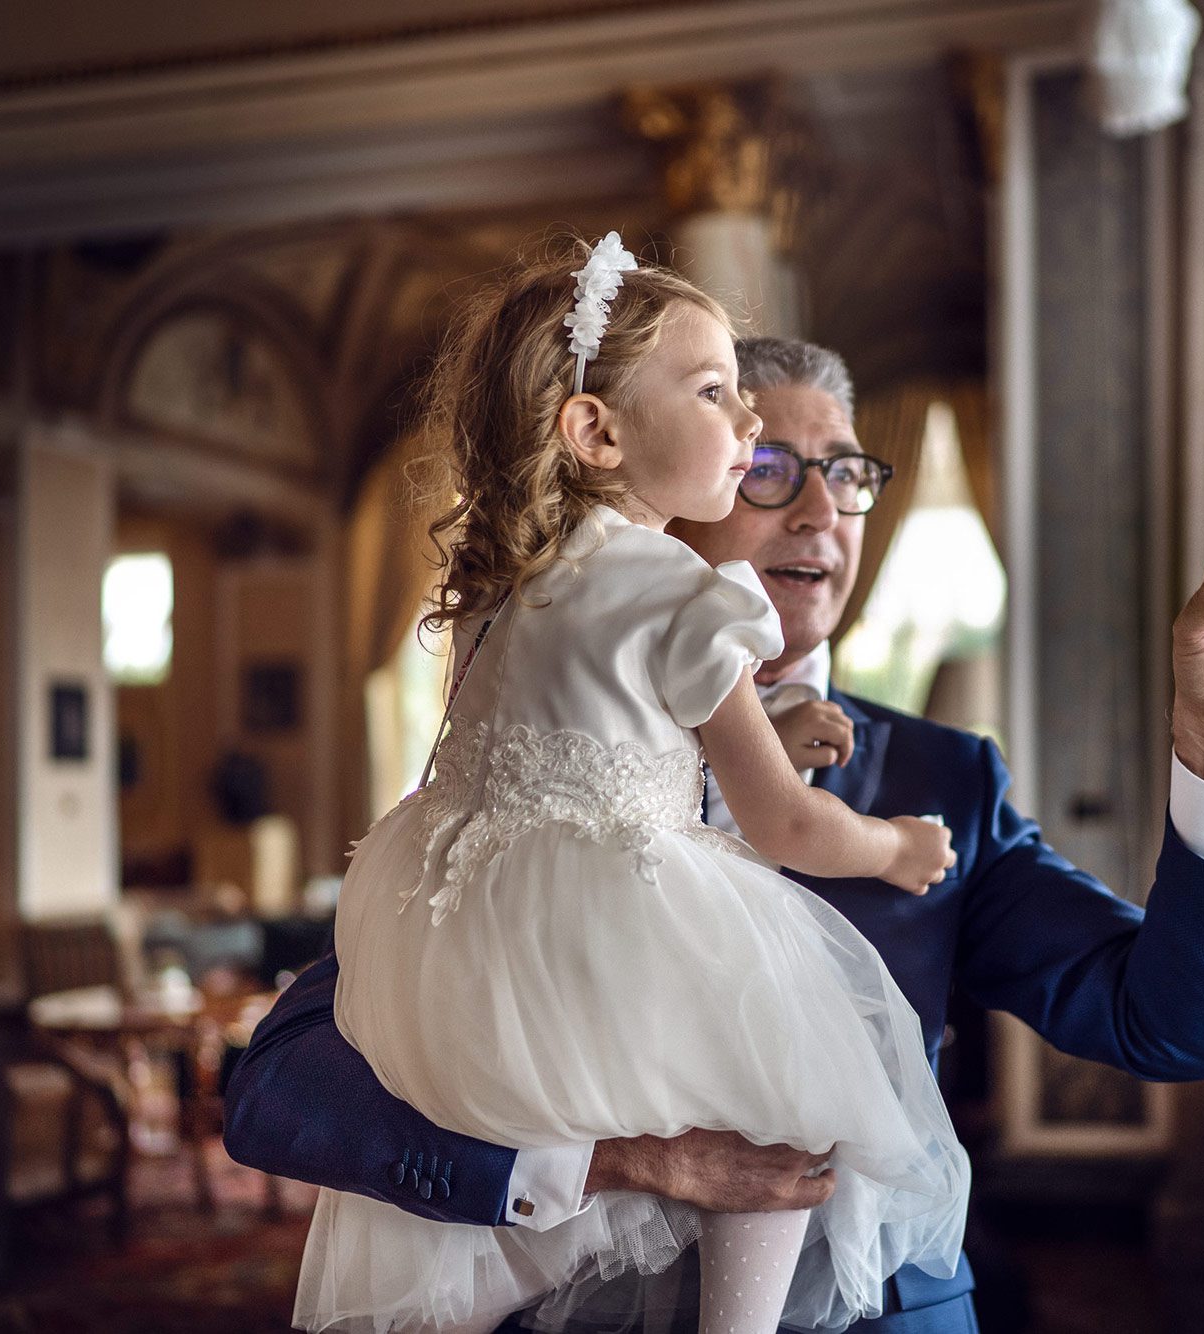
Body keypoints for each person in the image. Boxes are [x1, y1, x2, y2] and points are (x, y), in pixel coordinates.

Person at [227, 295, 1204, 1334]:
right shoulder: (525, 770)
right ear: (655, 486)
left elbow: (1173, 1025)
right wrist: (621, 1162)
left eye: (849, 472)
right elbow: (279, 1092)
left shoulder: (944, 779)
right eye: (768, 463)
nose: (821, 508)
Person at [292, 231, 975, 1334]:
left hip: (462, 941)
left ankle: (461, 1288)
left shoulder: (500, 592)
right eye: (716, 392)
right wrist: (894, 845)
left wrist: (735, 737)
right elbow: (783, 821)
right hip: (624, 914)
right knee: (789, 1110)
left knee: (543, 1187)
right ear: (595, 430)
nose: (746, 423)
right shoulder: (684, 593)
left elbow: (569, 740)